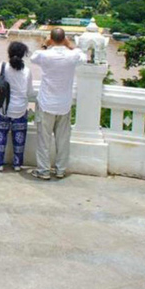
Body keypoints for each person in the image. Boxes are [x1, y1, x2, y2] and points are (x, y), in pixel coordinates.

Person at [30, 28, 87, 180]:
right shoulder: (72, 55)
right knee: (63, 140)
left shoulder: (45, 55)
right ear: (64, 39)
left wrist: (44, 44)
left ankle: (43, 170)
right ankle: (60, 169)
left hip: (46, 103)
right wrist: (70, 45)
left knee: (44, 140)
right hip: (64, 104)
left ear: (51, 39)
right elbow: (84, 56)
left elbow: (33, 57)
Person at [0, 42, 35, 172]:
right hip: (20, 109)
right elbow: (30, 92)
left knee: (0, 137)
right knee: (19, 138)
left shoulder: (2, 66)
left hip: (3, 108)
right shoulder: (27, 71)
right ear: (23, 55)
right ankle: (17, 164)